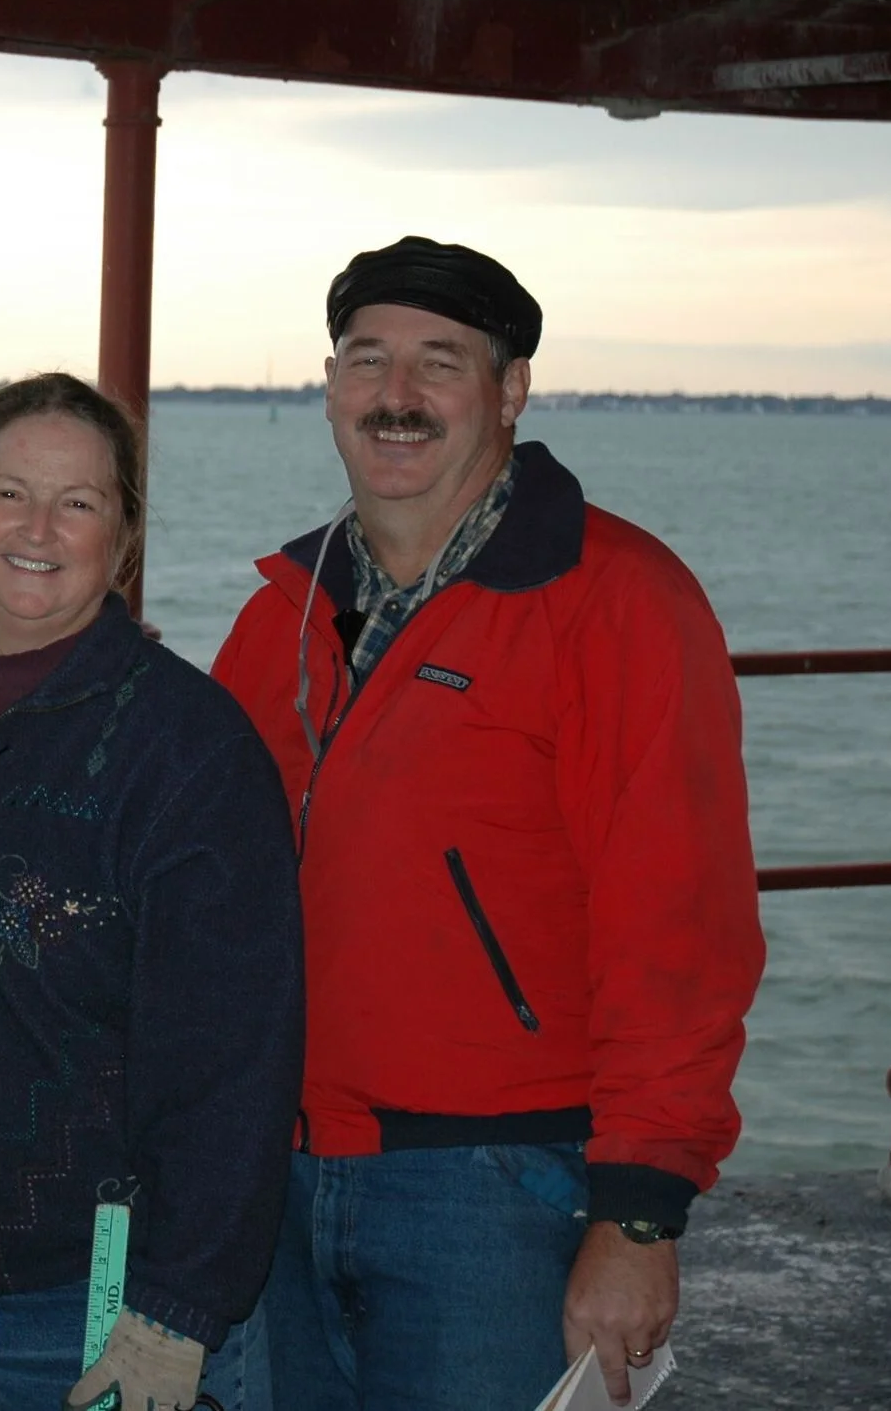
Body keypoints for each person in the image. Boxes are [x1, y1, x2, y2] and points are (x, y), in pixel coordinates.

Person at [210, 236, 766, 1411]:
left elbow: (679, 925)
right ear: (329, 386)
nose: (395, 397)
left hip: (499, 1193)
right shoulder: (281, 616)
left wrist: (637, 1213)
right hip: (275, 1174)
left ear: (507, 391)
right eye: (367, 361)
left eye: (439, 363)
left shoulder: (617, 600)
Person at [0, 373, 303, 1411]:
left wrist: (177, 1310)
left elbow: (237, 1060)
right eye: (7, 491)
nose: (37, 527)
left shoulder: (186, 747)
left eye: (78, 502)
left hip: (101, 1304)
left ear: (121, 536)